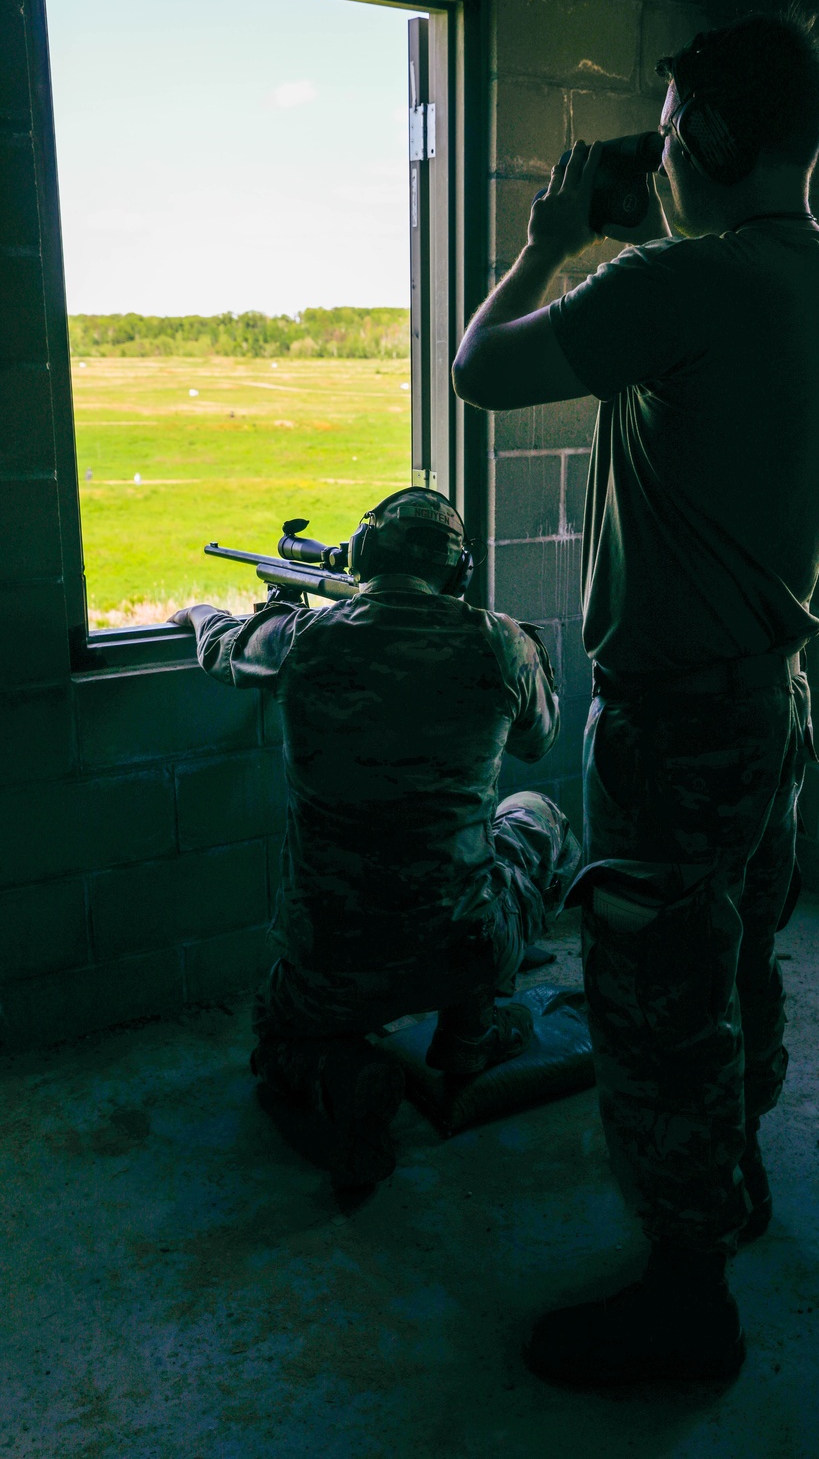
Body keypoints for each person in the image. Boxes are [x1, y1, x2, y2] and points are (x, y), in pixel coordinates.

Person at [452, 10, 819, 1384]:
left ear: (712, 134)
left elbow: (482, 372)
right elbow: (714, 341)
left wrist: (549, 237)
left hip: (676, 723)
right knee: (735, 966)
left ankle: (685, 1301)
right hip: (771, 701)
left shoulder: (684, 291)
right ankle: (731, 1192)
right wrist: (650, 243)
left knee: (652, 1006)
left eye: (677, 120)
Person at [171, 487, 581, 1189]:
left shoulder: (304, 639)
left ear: (361, 555)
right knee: (533, 813)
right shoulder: (499, 640)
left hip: (331, 959)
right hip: (463, 945)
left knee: (277, 1040)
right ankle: (469, 1036)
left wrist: (195, 610)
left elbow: (220, 647)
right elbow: (540, 742)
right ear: (459, 571)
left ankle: (347, 1073)